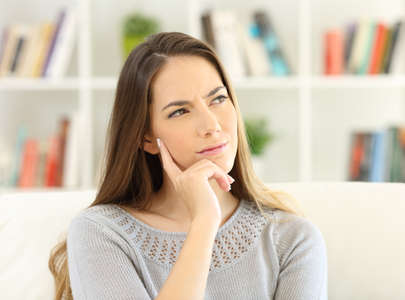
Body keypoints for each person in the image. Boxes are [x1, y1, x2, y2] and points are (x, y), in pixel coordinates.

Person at [48, 31, 328, 300]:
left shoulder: (291, 239)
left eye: (218, 98)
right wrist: (204, 222)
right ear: (146, 136)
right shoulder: (101, 233)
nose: (211, 125)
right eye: (180, 111)